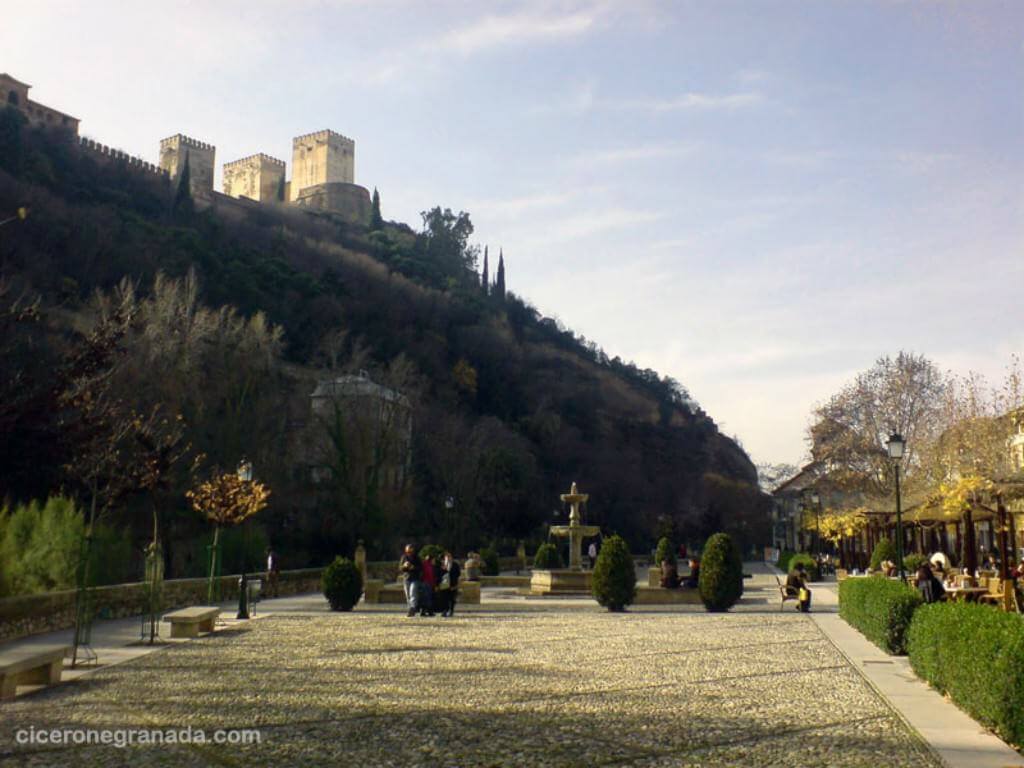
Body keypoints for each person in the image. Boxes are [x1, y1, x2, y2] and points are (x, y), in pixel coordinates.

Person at [399, 544, 422, 618]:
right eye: (407, 551)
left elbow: (420, 568)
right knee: (408, 595)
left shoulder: (417, 558)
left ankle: (413, 608)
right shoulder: (404, 557)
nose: (409, 553)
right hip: (406, 578)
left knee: (413, 593)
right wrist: (404, 566)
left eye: (410, 551)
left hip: (415, 578)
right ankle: (410, 608)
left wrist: (413, 567)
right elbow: (400, 568)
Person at [440, 551, 461, 617]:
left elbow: (458, 574)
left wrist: (455, 584)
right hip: (444, 584)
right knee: (444, 598)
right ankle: (444, 611)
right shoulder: (443, 565)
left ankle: (451, 610)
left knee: (452, 598)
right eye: (447, 557)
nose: (448, 558)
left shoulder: (455, 565)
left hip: (453, 584)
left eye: (449, 556)